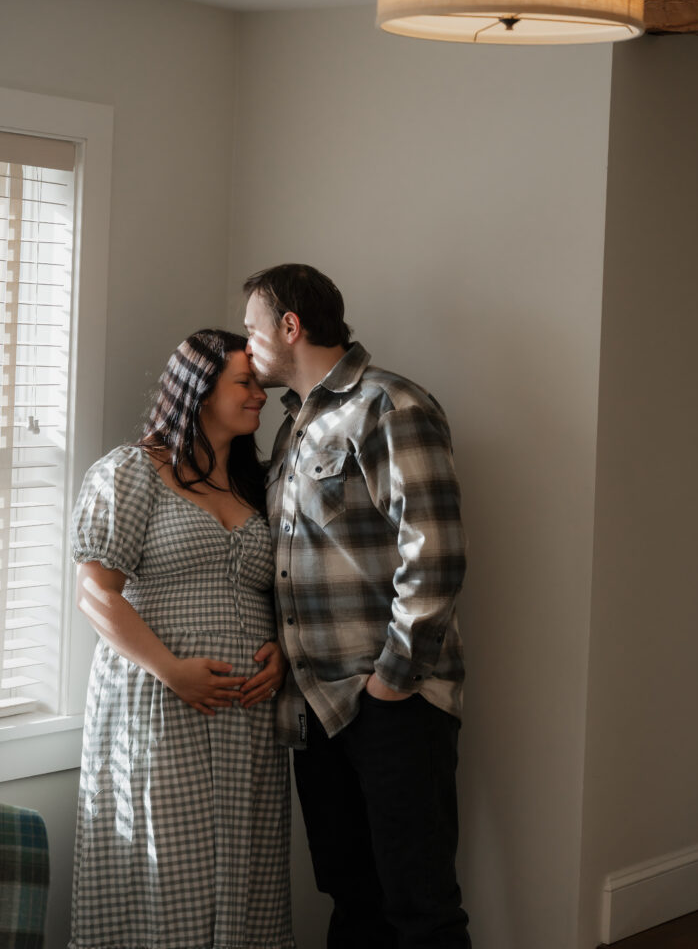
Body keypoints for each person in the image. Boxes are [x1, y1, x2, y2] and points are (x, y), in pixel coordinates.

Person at [243, 265, 471, 948]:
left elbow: (434, 553)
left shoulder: (389, 405)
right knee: (352, 899)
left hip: (388, 703)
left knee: (419, 905)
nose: (248, 350)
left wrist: (390, 682)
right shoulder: (292, 431)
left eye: (254, 331)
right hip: (315, 706)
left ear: (290, 327)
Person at [69, 330, 295, 949]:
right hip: (160, 704)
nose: (261, 397)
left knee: (246, 880)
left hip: (246, 718)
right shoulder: (133, 472)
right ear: (199, 390)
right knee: (166, 871)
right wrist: (173, 670)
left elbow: (274, 590)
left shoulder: (258, 485)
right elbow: (97, 594)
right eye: (244, 383)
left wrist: (280, 649)